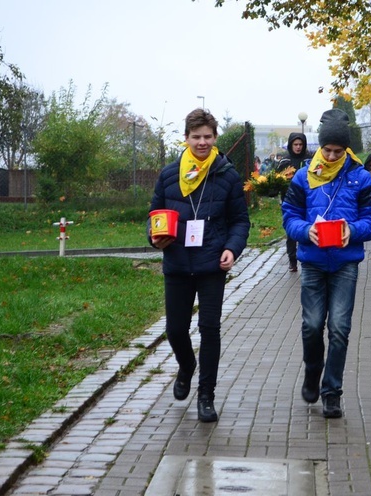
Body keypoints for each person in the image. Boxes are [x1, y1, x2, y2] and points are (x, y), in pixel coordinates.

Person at [148, 108, 250, 423]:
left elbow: (240, 221)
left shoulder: (227, 175)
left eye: (208, 137)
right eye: (196, 137)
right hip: (177, 263)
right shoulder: (168, 175)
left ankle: (206, 396)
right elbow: (154, 218)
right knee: (175, 330)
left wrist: (232, 249)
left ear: (215, 137)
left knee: (209, 329)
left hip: (211, 265)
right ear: (186, 138)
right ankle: (187, 366)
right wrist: (156, 239)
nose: (202, 142)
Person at [281, 108, 371, 418]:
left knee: (339, 328)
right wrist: (305, 230)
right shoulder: (303, 176)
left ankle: (331, 390)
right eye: (327, 150)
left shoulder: (360, 177)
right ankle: (313, 370)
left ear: (346, 148)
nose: (332, 155)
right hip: (311, 261)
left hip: (345, 263)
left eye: (338, 151)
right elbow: (290, 216)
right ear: (320, 147)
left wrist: (352, 231)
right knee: (312, 326)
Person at [276, 133, 309, 272]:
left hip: (307, 200)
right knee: (291, 232)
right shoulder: (285, 162)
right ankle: (292, 260)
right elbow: (276, 181)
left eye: (301, 145)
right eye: (295, 144)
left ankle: (306, 259)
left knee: (307, 230)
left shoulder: (309, 160)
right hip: (289, 201)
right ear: (290, 145)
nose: (298, 147)